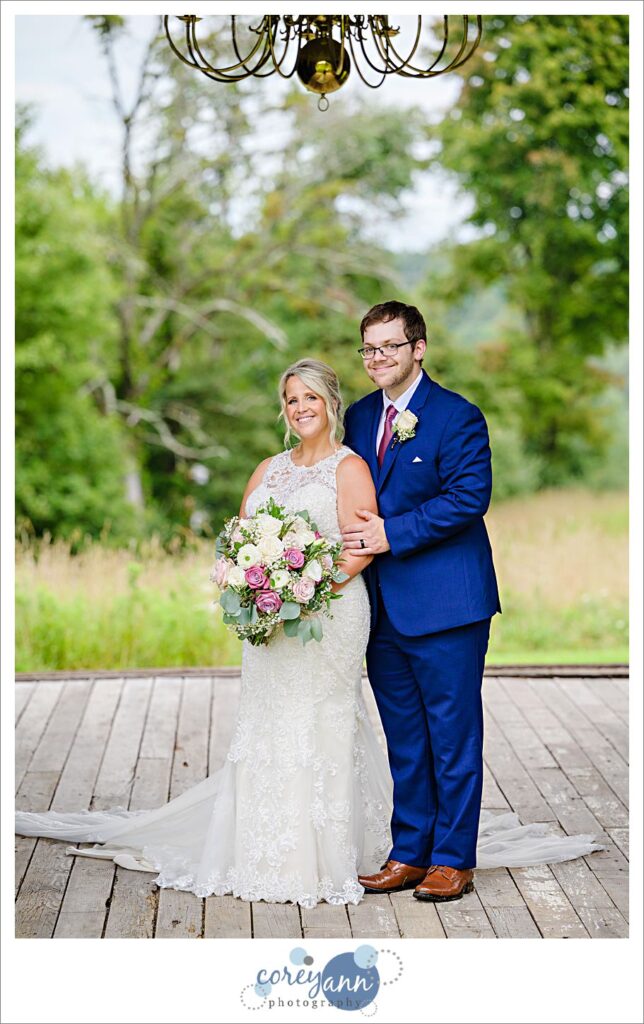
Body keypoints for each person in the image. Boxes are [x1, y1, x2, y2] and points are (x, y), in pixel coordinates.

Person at [15, 355, 606, 910]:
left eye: (311, 397)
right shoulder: (297, 454)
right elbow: (241, 539)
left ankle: (444, 859)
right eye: (291, 399)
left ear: (332, 400)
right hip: (282, 622)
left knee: (423, 733)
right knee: (360, 735)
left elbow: (398, 528)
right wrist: (254, 586)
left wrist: (303, 588)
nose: (301, 407)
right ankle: (391, 851)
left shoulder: (402, 439)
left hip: (357, 610)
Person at [341, 300, 606, 901]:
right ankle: (409, 851)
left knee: (452, 735)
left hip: (447, 606)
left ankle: (453, 858)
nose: (378, 358)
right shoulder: (357, 418)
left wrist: (392, 533)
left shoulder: (458, 416)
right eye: (369, 349)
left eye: (390, 346)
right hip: (380, 607)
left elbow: (468, 499)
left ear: (419, 348)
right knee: (404, 737)